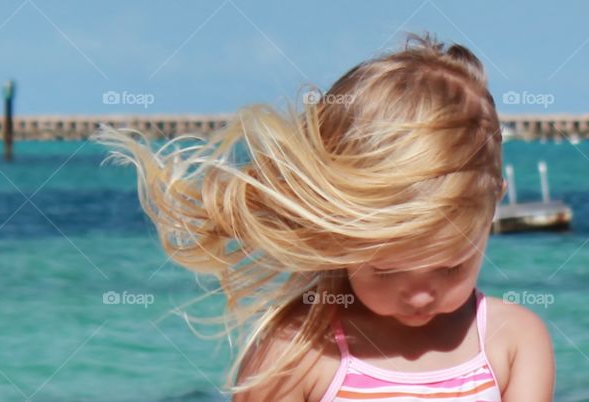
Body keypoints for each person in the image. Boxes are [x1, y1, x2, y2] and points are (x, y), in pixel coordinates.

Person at [93, 33, 554, 401]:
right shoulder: (297, 353)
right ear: (338, 232)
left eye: (450, 266)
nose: (418, 295)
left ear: (494, 204)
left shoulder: (512, 345)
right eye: (386, 270)